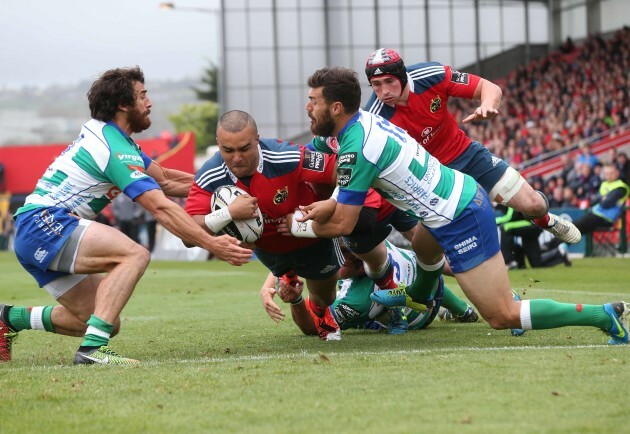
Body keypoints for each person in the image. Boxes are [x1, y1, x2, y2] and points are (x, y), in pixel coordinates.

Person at [283, 66, 629, 345]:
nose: (307, 107)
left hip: (459, 214)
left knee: (501, 315)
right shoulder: (367, 122)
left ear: (336, 107)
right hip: (448, 201)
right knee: (421, 243)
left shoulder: (358, 146)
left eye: (312, 100)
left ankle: (599, 315)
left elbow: (343, 223)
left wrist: (292, 226)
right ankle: (416, 295)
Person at [0, 66, 252, 365]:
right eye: (142, 95)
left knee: (100, 320)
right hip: (47, 223)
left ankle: (8, 318)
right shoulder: (113, 147)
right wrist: (213, 244)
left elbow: (168, 180)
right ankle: (93, 352)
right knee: (134, 255)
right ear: (123, 105)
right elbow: (160, 206)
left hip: (36, 229)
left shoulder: (117, 141)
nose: (149, 103)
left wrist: (225, 187)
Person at [362, 48, 581, 245]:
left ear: (402, 76)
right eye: (376, 85)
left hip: (465, 155)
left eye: (389, 81)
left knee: (534, 205)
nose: (384, 91)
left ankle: (547, 221)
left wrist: (486, 106)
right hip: (430, 180)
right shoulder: (374, 119)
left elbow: (489, 87)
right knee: (432, 251)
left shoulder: (431, 76)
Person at [184, 110, 344, 340]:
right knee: (311, 332)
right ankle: (288, 280)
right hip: (269, 250)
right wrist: (228, 213)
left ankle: (318, 306)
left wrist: (329, 204)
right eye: (228, 150)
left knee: (324, 299)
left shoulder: (287, 156)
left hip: (313, 239)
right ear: (218, 144)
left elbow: (342, 172)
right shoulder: (209, 174)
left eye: (244, 148)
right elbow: (188, 235)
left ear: (257, 138)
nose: (237, 158)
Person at [260, 240, 478, 336]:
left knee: (362, 312)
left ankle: (458, 309)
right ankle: (463, 310)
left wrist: (297, 300)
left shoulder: (357, 299)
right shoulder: (372, 242)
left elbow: (312, 328)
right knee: (430, 272)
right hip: (431, 285)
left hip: (414, 316)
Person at [564, 164, 630, 237]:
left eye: (611, 173)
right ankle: (560, 245)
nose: (609, 176)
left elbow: (605, 203)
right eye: (607, 173)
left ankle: (554, 244)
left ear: (617, 173)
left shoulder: (621, 187)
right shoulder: (604, 184)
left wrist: (602, 198)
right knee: (576, 229)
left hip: (607, 218)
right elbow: (593, 201)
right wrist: (603, 197)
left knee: (574, 227)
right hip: (597, 214)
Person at [496, 205, 571, 269]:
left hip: (531, 225)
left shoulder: (511, 198)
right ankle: (561, 253)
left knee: (505, 228)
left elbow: (509, 217)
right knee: (536, 263)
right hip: (530, 228)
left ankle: (510, 262)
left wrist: (493, 221)